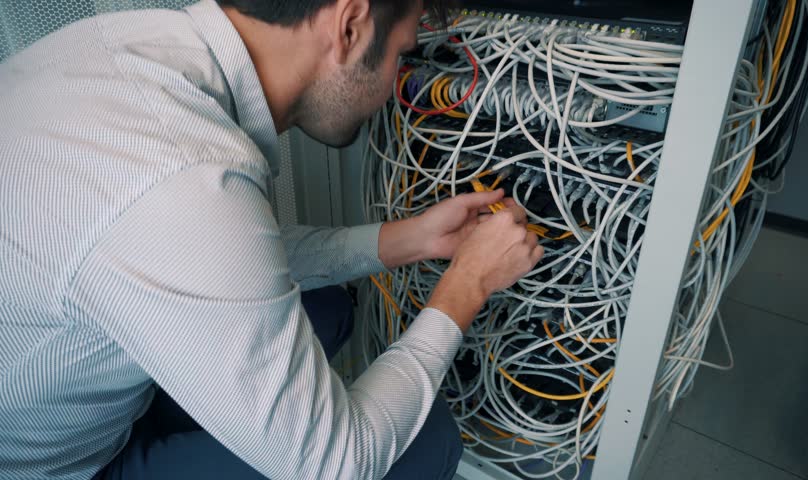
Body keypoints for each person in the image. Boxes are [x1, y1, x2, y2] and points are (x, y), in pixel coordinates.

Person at [0, 0, 543, 478]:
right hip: (62, 464)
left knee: (325, 308)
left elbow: (217, 256)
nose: (390, 90)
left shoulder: (124, 45)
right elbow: (339, 464)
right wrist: (467, 283)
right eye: (401, 55)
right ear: (350, 24)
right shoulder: (183, 177)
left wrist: (410, 239)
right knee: (424, 443)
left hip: (74, 391)